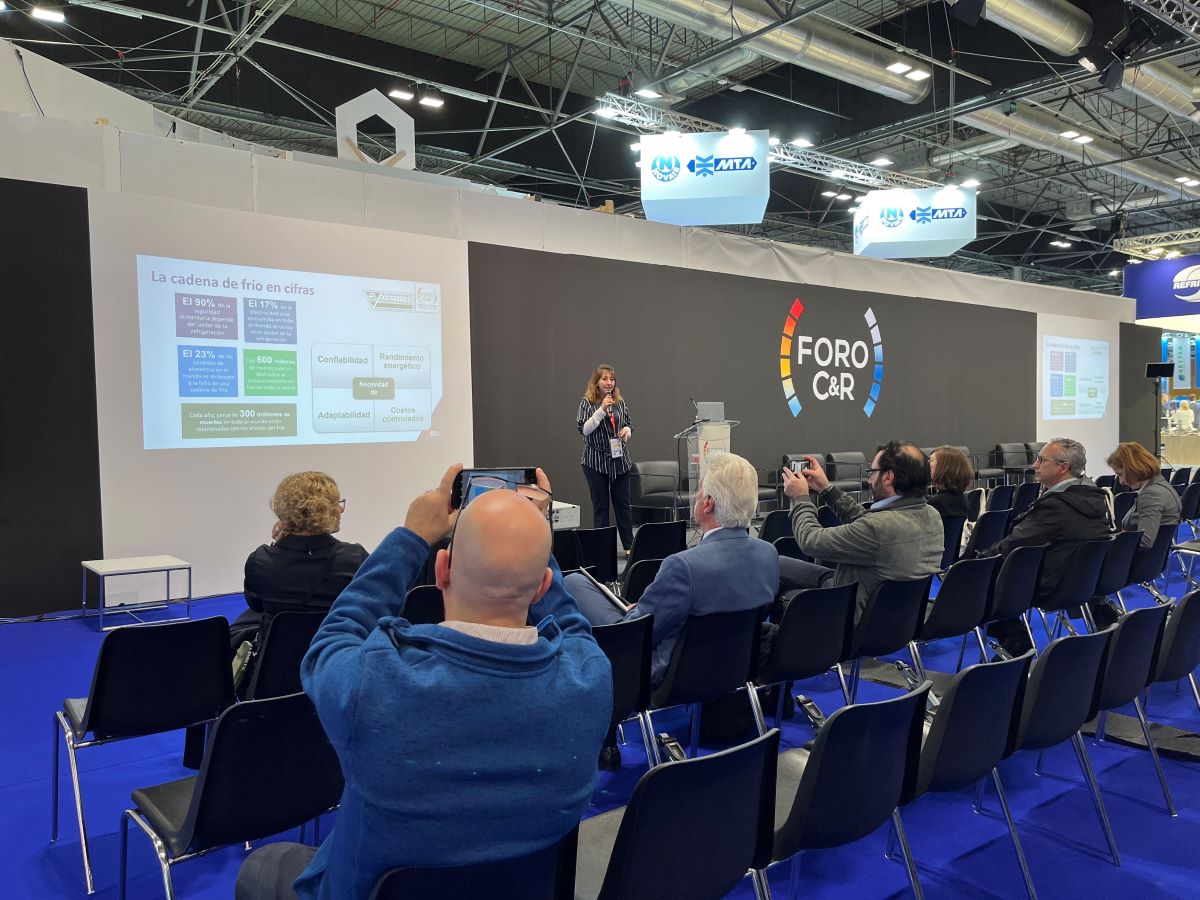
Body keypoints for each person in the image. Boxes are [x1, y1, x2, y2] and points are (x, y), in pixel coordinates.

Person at [234, 465, 611, 900]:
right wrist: (533, 525)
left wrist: (412, 535)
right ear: (544, 584)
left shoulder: (375, 685)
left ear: (442, 570)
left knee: (262, 866)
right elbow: (574, 626)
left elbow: (333, 639)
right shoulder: (591, 678)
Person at [564, 452, 778, 767]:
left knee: (575, 584)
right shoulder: (768, 554)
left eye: (699, 491)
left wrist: (636, 613)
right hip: (734, 669)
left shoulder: (684, 566)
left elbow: (639, 636)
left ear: (708, 503)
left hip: (670, 677)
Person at [778, 442, 944, 617]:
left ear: (888, 477)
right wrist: (826, 488)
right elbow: (866, 521)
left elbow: (810, 541)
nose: (869, 479)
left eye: (872, 472)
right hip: (899, 616)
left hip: (850, 614)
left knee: (776, 571)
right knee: (779, 563)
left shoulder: (878, 527)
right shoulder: (932, 515)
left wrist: (801, 498)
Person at [981, 438, 1113, 654]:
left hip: (1050, 585)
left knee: (980, 583)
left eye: (1042, 460)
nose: (1035, 465)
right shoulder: (1093, 499)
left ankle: (1016, 643)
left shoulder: (1056, 506)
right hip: (1083, 583)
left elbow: (1015, 543)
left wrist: (982, 558)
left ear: (1063, 467)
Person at [228, 471, 368, 652]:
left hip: (275, 662)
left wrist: (279, 545)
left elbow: (256, 606)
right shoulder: (355, 558)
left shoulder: (260, 561)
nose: (341, 510)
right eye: (337, 504)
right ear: (326, 511)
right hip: (333, 658)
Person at [577, 364, 634, 555]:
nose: (609, 382)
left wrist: (626, 431)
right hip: (596, 461)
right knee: (601, 507)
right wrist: (601, 409)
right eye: (604, 379)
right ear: (596, 382)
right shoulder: (587, 402)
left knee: (623, 505)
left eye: (612, 379)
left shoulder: (619, 402)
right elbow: (584, 430)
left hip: (619, 460)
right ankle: (602, 550)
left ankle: (629, 547)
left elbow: (629, 424)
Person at [1106, 441, 1181, 550]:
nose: (1121, 481)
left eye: (1121, 474)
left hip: (1139, 557)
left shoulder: (1150, 495)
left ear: (1134, 469)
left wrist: (1117, 540)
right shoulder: (1162, 486)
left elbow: (1145, 541)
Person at [927, 446, 973, 520]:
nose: (928, 464)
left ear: (944, 467)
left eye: (931, 460)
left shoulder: (936, 503)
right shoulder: (963, 499)